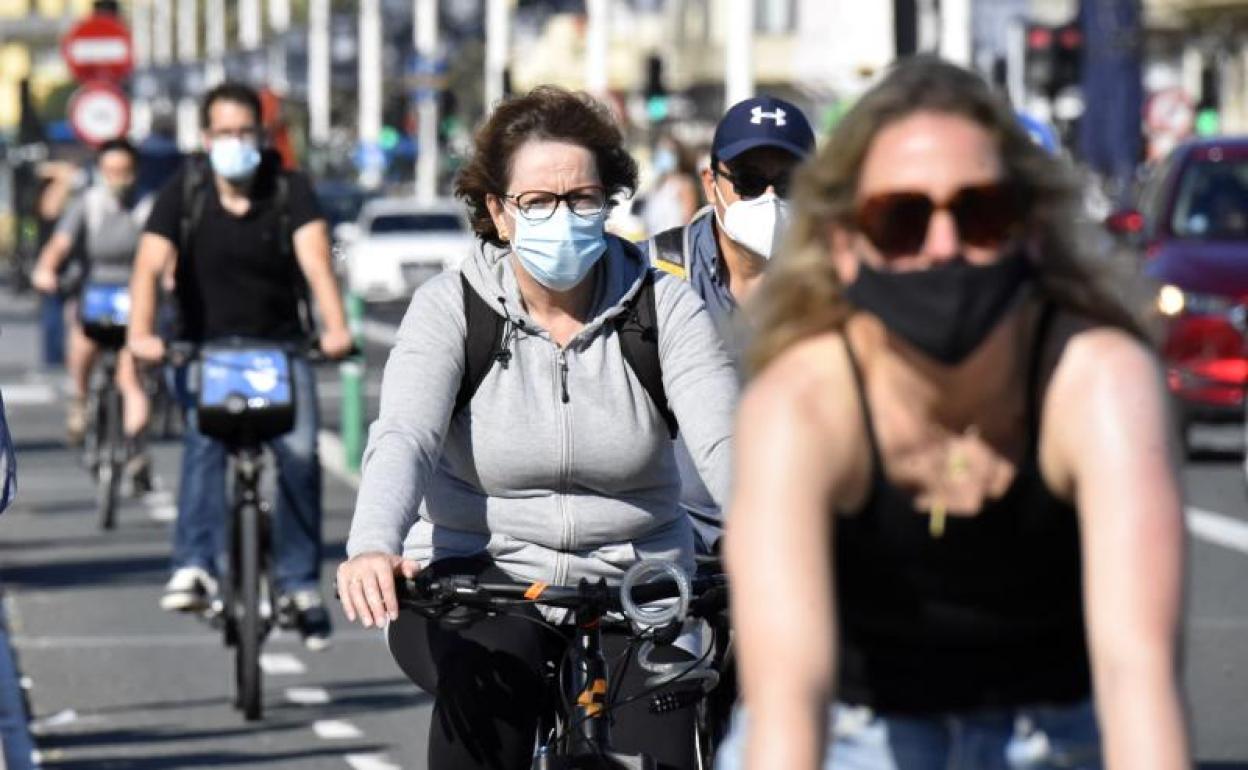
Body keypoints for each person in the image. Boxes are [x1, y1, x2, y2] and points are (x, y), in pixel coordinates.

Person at [719, 58, 1189, 770]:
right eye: (901, 219)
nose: (943, 247)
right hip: (858, 732)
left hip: (1056, 731)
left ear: (1030, 231)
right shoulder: (803, 400)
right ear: (846, 246)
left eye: (980, 213)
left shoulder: (1096, 380)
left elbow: (1139, 680)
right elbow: (789, 707)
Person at [338, 86, 737, 770]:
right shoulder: (450, 309)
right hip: (482, 581)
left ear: (611, 201)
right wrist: (374, 543)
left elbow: (728, 441)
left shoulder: (663, 305)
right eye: (538, 202)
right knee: (480, 703)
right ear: (497, 210)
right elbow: (403, 435)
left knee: (671, 738)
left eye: (583, 198)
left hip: (641, 584)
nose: (564, 217)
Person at [127, 82, 353, 650]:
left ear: (262, 135)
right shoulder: (187, 189)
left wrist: (335, 329)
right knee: (205, 443)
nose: (235, 143)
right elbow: (148, 267)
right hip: (205, 348)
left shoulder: (289, 189)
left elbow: (317, 263)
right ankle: (195, 566)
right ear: (205, 140)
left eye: (244, 132)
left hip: (280, 348)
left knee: (299, 454)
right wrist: (141, 334)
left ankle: (301, 584)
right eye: (223, 133)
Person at [640, 95, 814, 552]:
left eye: (790, 182)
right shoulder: (651, 275)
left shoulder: (839, 284)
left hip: (800, 538)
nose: (771, 199)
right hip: (673, 547)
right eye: (751, 182)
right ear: (710, 182)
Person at [31, 139, 155, 488]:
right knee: (82, 344)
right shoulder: (88, 204)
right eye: (111, 171)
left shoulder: (147, 206)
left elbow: (164, 250)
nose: (118, 178)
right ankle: (81, 400)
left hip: (135, 296)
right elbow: (59, 244)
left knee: (131, 376)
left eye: (125, 171)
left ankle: (135, 450)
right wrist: (46, 269)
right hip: (95, 292)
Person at [641, 133, 701, 235]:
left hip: (674, 245)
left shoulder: (685, 184)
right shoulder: (656, 185)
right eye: (660, 151)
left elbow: (689, 221)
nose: (663, 155)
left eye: (668, 151)